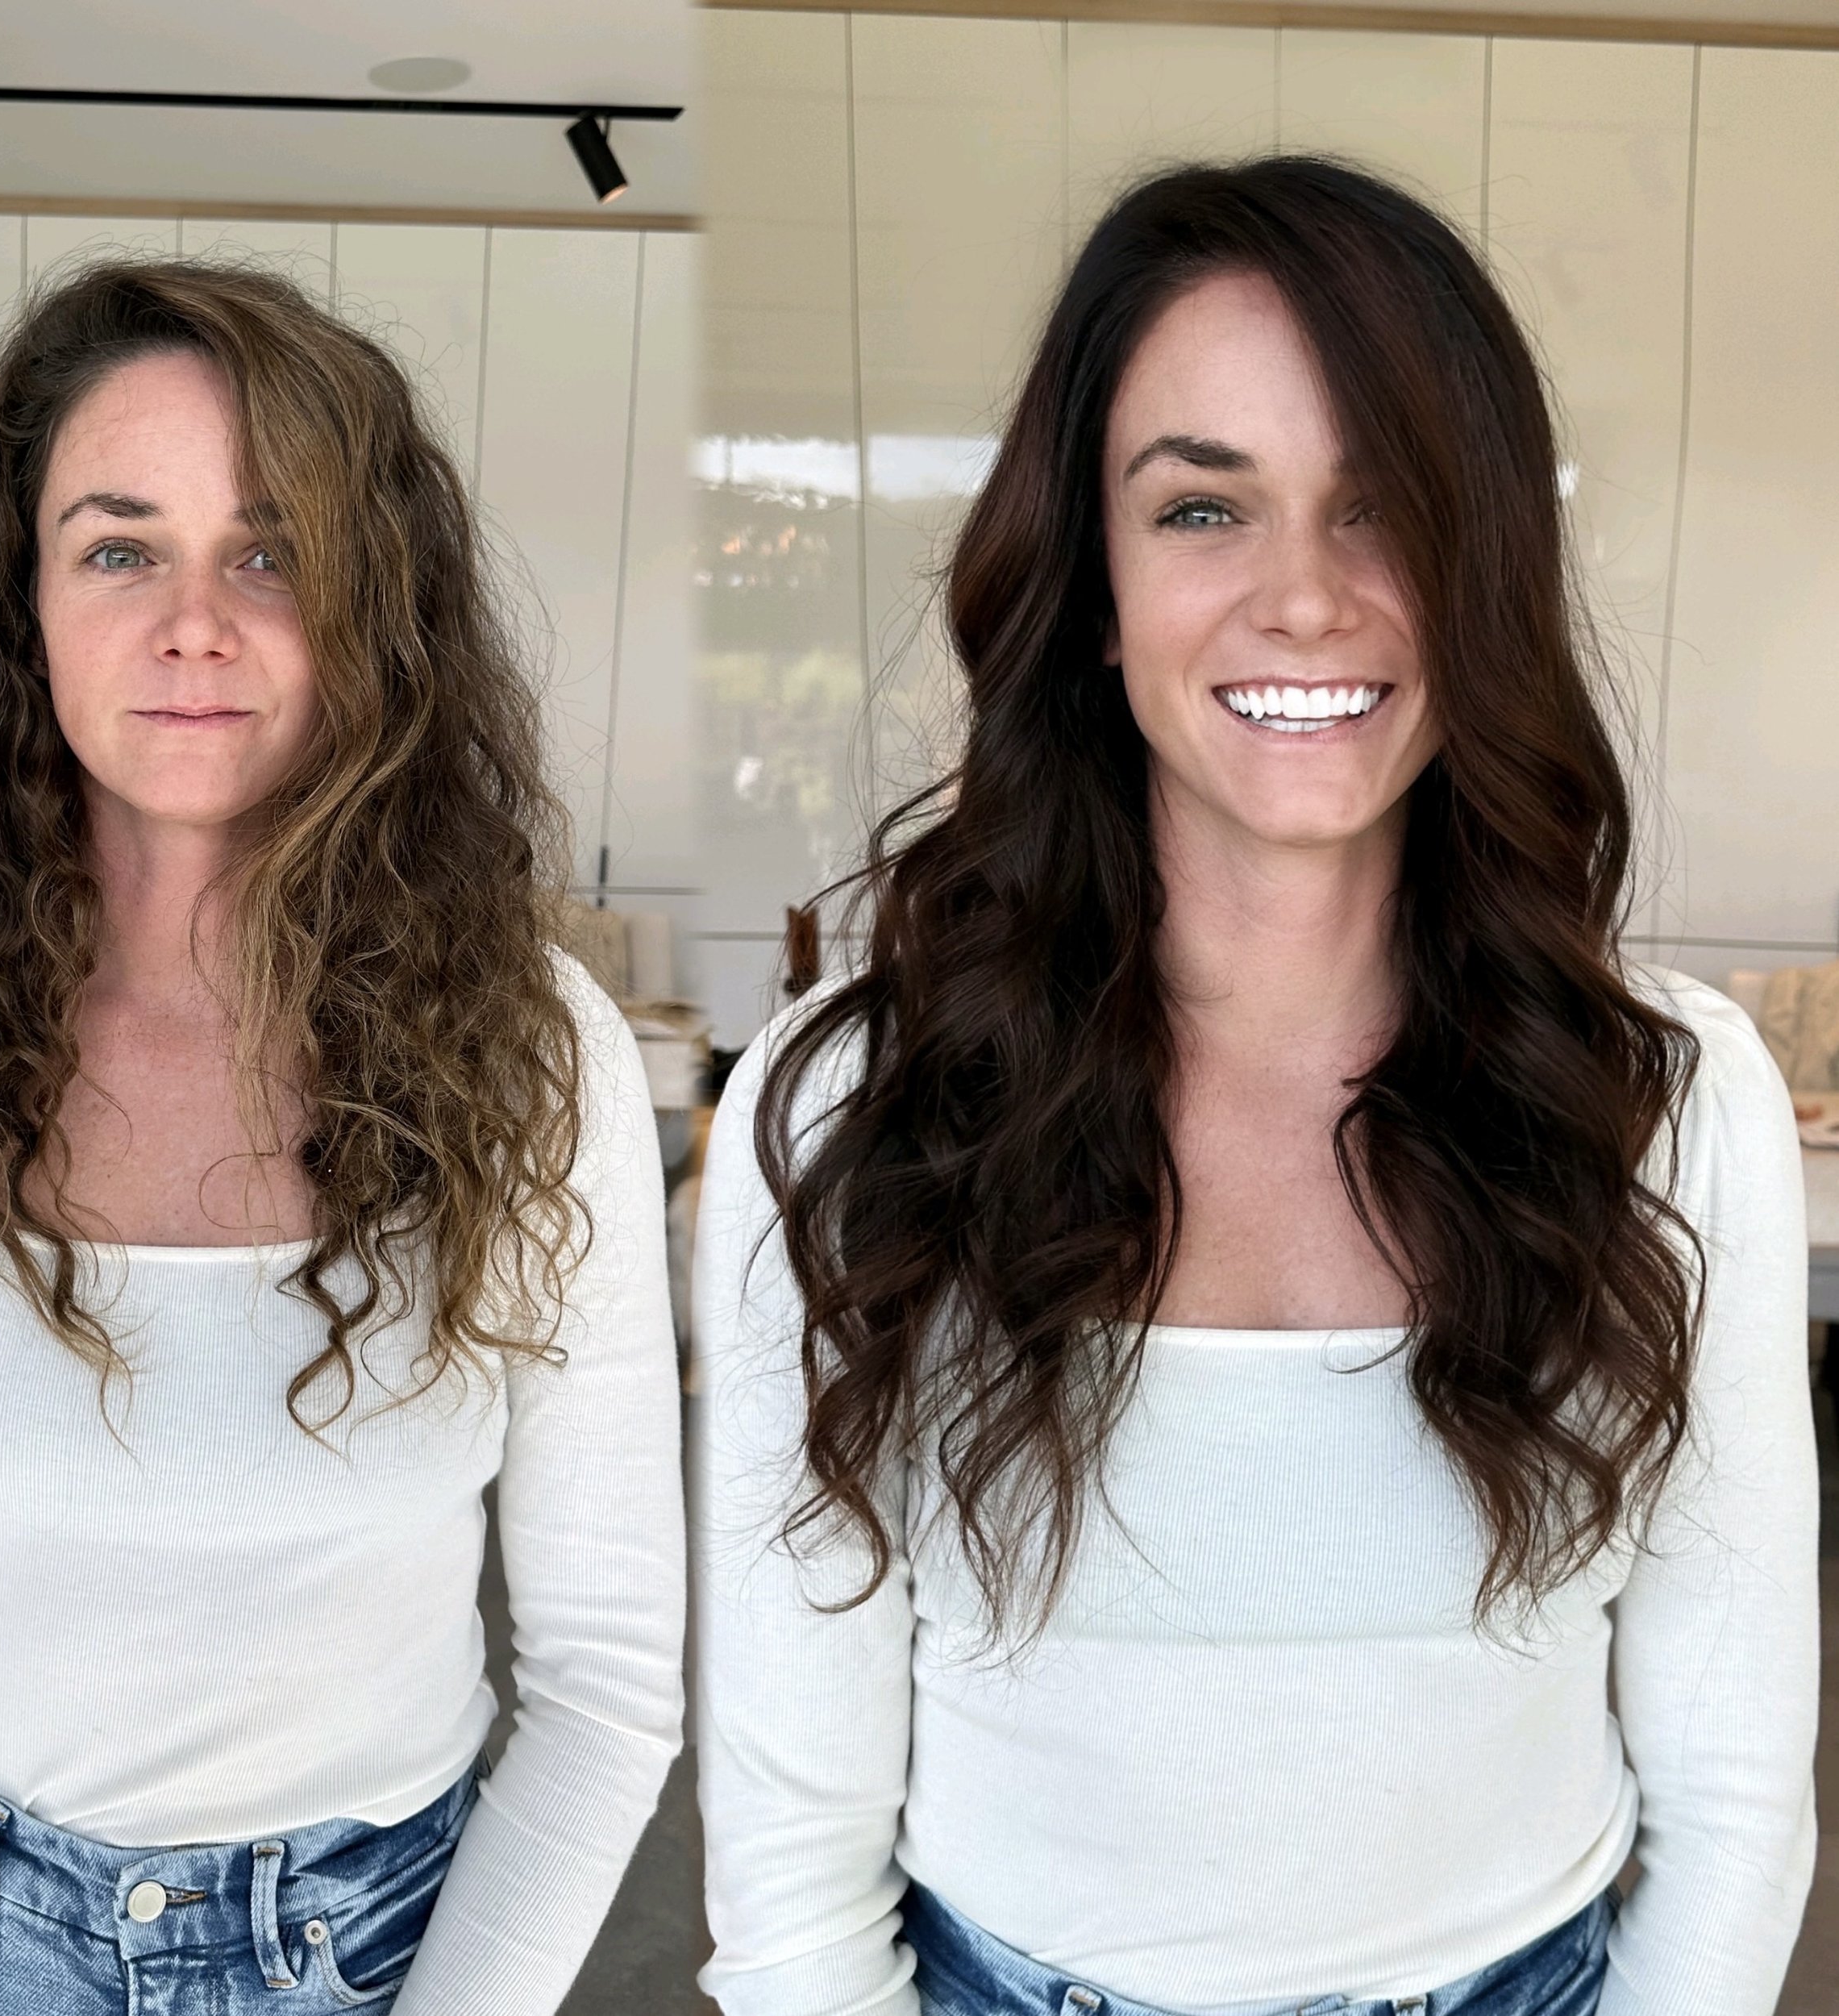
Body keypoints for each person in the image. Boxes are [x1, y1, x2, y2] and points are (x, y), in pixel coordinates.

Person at [693, 156, 1818, 2016]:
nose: (1303, 598)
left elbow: (1727, 1779)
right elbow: (794, 1830)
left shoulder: (1666, 1095)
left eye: (1381, 507)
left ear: (1484, 573)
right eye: (1202, 505)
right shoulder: (850, 1118)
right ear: (1092, 584)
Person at [0, 256, 684, 2015]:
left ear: (374, 612)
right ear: (22, 603)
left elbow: (605, 1684)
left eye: (272, 549)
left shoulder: (533, 1052)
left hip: (376, 1948)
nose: (195, 622)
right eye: (120, 545)